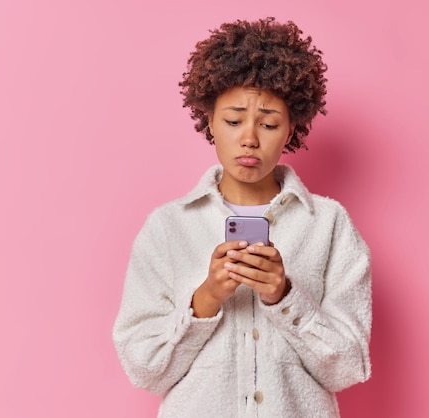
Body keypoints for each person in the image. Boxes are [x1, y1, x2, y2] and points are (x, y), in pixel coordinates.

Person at [113, 17, 372, 418]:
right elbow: (144, 369)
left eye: (268, 123)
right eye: (233, 121)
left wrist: (283, 296)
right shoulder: (167, 228)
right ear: (210, 122)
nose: (249, 138)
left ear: (290, 130)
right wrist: (206, 299)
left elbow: (349, 365)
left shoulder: (329, 225)